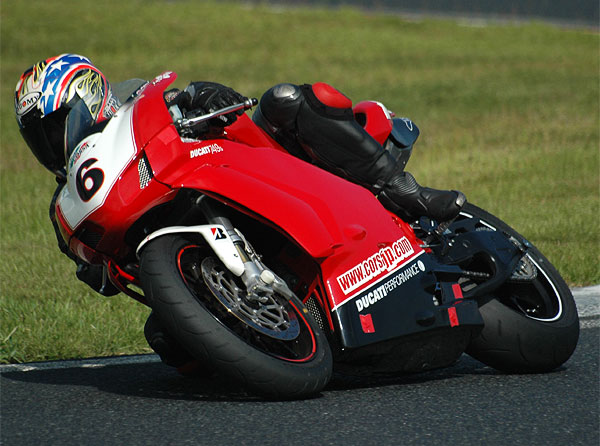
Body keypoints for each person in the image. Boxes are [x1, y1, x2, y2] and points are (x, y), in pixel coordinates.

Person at [15, 53, 465, 368]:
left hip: (250, 164)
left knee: (286, 99)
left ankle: (406, 192)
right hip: (194, 253)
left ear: (90, 96)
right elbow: (99, 279)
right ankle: (289, 339)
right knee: (167, 342)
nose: (50, 144)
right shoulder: (69, 205)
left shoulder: (134, 107)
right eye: (39, 138)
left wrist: (201, 96)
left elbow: (201, 100)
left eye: (55, 128)